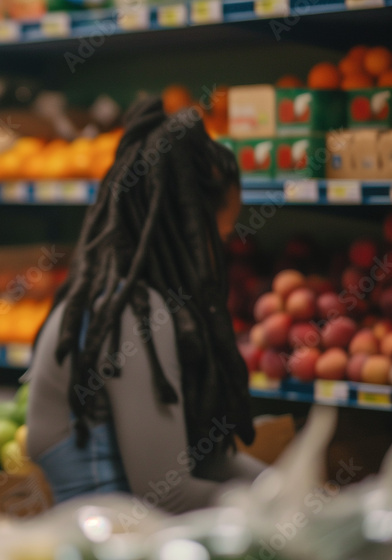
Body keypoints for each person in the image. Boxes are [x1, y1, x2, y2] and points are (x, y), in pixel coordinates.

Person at [23, 97, 266, 514]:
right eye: (218, 236)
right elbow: (165, 494)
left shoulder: (138, 305)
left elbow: (204, 458)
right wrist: (278, 505)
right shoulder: (132, 317)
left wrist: (282, 487)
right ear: (186, 227)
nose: (220, 254)